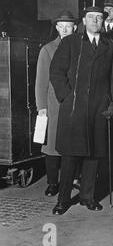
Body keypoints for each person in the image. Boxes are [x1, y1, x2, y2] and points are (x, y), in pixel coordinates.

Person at [49, 4, 113, 215]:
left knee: (94, 155)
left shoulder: (110, 46)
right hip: (74, 109)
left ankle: (87, 197)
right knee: (70, 155)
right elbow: (56, 72)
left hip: (99, 108)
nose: (95, 21)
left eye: (99, 18)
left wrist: (112, 103)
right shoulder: (71, 42)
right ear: (84, 20)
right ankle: (63, 200)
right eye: (91, 17)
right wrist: (66, 96)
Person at [35, 10, 77, 197]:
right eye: (62, 26)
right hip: (53, 105)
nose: (65, 29)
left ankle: (73, 179)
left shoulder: (81, 47)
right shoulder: (48, 49)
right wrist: (41, 107)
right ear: (57, 28)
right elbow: (41, 81)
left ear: (75, 27)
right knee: (51, 146)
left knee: (74, 144)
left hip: (75, 105)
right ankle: (52, 182)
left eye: (69, 26)